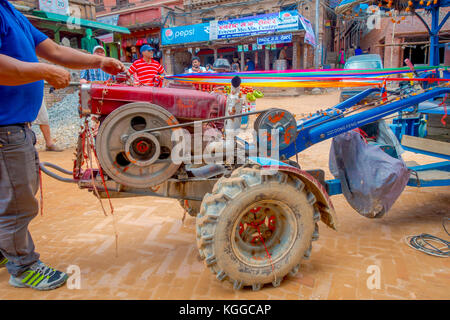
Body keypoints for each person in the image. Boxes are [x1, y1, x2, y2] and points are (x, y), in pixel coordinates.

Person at [0, 0, 124, 290]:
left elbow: (54, 51)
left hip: (16, 127)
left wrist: (99, 61)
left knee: (10, 196)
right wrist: (43, 72)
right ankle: (23, 266)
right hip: (5, 128)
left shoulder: (11, 12)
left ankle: (5, 250)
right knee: (18, 203)